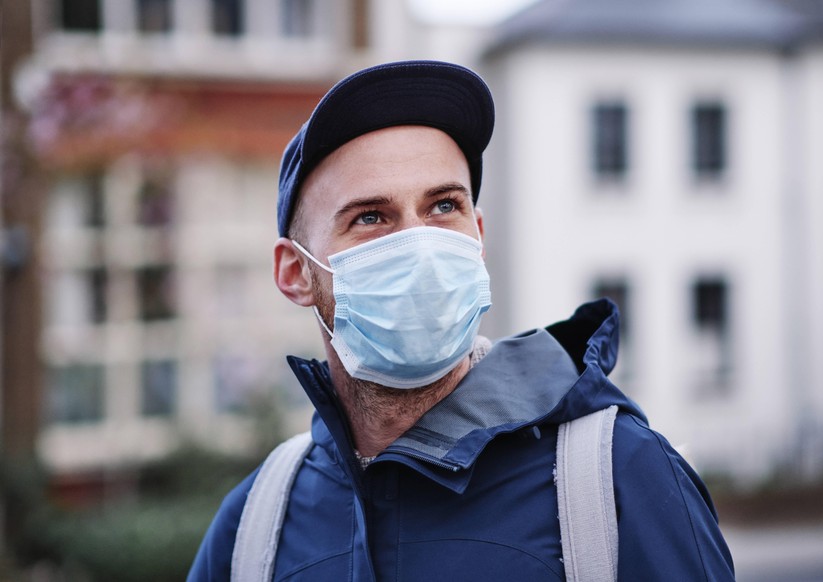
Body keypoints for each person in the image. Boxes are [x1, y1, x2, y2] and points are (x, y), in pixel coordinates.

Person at [188, 60, 735, 581]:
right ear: (295, 272)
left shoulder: (615, 478)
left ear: (478, 234)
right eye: (370, 217)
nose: (419, 245)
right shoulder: (255, 529)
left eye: (443, 207)